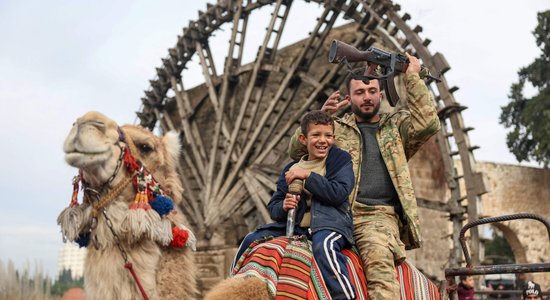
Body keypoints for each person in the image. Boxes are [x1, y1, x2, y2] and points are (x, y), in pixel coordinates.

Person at [289, 52, 441, 299]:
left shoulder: (397, 128)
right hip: (335, 212)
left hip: (376, 217)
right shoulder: (336, 128)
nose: (367, 97)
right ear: (350, 98)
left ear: (381, 95)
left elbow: (429, 124)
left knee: (380, 272)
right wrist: (319, 117)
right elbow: (296, 149)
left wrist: (412, 77)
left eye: (372, 91)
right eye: (360, 92)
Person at [232, 110, 357, 299]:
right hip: (297, 228)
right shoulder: (290, 169)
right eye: (316, 135)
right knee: (250, 238)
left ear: (333, 137)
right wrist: (284, 205)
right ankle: (233, 283)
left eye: (328, 135)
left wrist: (308, 176)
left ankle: (344, 295)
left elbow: (338, 193)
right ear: (303, 138)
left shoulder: (340, 160)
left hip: (331, 224)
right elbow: (274, 206)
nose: (323, 140)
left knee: (323, 247)